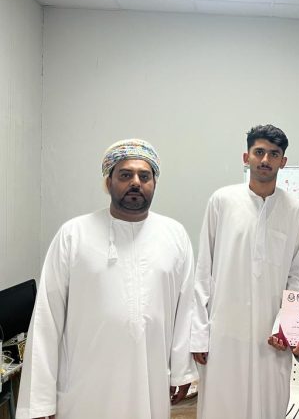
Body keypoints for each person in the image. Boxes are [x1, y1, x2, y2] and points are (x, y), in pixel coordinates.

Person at [16, 139, 197, 419]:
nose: (135, 182)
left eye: (144, 176)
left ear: (154, 183)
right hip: (84, 388)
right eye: (125, 175)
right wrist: (40, 401)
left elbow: (186, 311)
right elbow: (47, 319)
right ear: (108, 181)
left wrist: (182, 371)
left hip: (149, 383)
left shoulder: (175, 236)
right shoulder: (73, 235)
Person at [190, 124, 299, 419]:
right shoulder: (222, 201)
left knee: (268, 405)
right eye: (259, 152)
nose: (265, 159)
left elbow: (296, 276)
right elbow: (204, 269)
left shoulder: (296, 210)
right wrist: (199, 334)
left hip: (270, 338)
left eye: (274, 154)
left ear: (283, 161)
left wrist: (285, 327)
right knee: (222, 406)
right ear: (246, 157)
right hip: (224, 332)